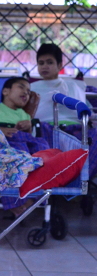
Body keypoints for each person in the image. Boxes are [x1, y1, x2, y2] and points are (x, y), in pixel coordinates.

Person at [31, 43, 97, 177]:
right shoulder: (30, 88)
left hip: (77, 130)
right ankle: (60, 185)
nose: (44, 66)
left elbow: (88, 111)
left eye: (50, 62)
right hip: (45, 129)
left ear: (60, 65)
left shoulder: (74, 86)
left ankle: (78, 183)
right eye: (41, 63)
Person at [0, 77, 49, 154]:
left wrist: (28, 127)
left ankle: (43, 161)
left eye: (28, 92)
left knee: (42, 144)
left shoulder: (25, 114)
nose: (26, 92)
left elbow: (29, 135)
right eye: (21, 87)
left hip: (21, 137)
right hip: (2, 137)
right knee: (20, 148)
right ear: (5, 91)